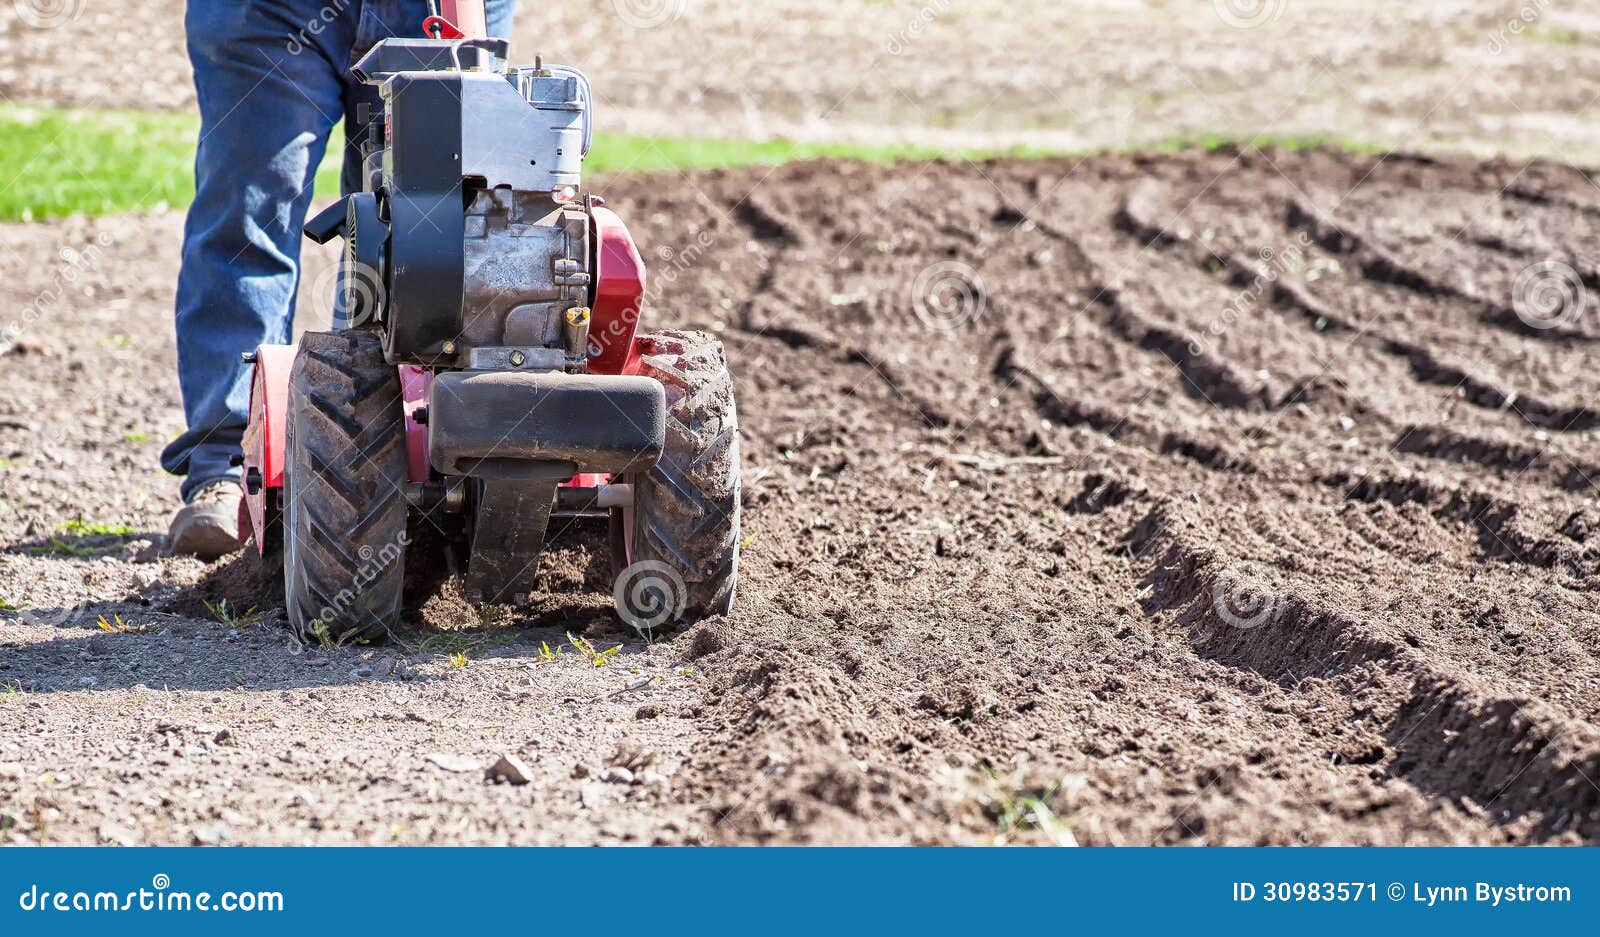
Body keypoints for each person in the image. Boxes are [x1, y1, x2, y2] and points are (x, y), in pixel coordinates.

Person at [163, 0, 515, 559]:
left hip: (432, 8)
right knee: (248, 205)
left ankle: (383, 464)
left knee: (430, 223)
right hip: (270, 12)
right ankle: (231, 466)